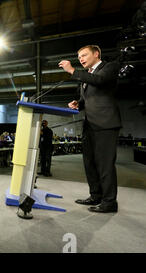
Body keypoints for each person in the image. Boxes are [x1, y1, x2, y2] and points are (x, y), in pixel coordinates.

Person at [60, 44, 121, 213]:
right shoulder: (86, 76)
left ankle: (109, 202)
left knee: (105, 164)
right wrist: (77, 104)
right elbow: (85, 100)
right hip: (89, 125)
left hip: (106, 124)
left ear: (96, 54)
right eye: (79, 56)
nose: (81, 59)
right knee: (90, 163)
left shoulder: (109, 67)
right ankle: (95, 195)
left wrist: (72, 71)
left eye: (84, 55)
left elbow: (100, 81)